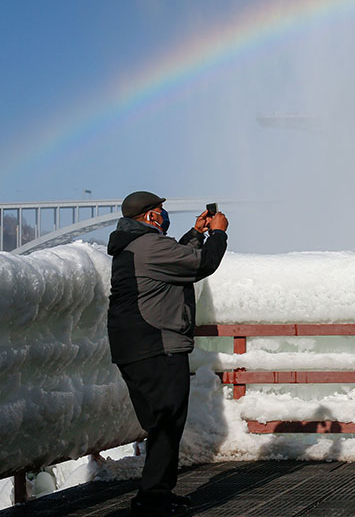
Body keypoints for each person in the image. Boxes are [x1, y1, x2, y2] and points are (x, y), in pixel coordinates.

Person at [107, 191, 228, 516]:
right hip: (157, 345)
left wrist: (196, 233)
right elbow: (202, 263)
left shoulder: (134, 245)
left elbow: (177, 258)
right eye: (160, 210)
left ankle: (158, 493)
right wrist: (218, 233)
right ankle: (151, 500)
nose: (164, 214)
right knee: (166, 422)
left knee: (162, 423)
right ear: (149, 216)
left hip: (135, 347)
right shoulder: (149, 245)